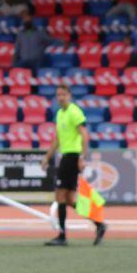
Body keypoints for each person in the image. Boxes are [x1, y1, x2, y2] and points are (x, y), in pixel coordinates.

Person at [41, 85, 105, 246]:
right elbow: (57, 138)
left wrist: (82, 157)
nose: (60, 97)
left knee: (60, 195)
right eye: (58, 95)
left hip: (72, 156)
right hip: (66, 156)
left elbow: (84, 134)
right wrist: (47, 157)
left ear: (69, 95)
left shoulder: (74, 112)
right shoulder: (60, 114)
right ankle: (99, 224)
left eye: (63, 94)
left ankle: (62, 236)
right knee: (69, 199)